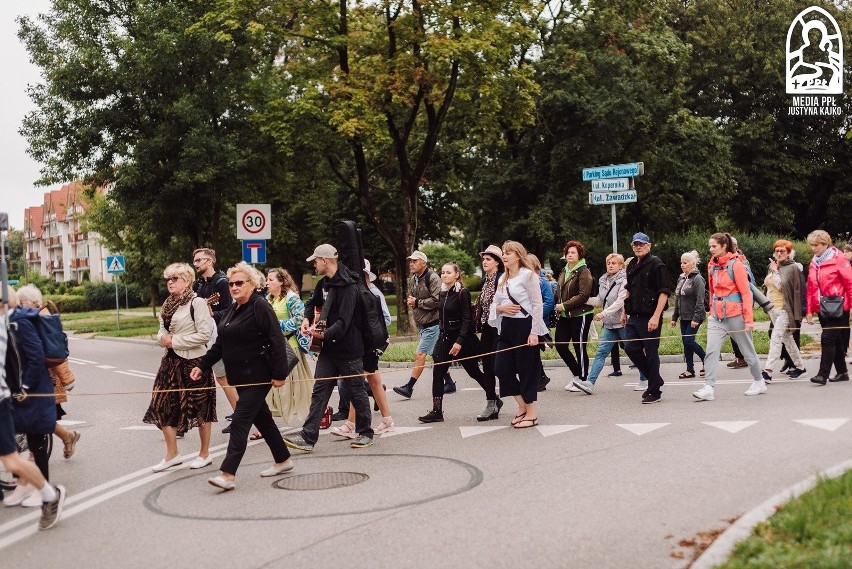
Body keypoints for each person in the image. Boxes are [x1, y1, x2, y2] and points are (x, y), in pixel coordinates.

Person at [191, 262, 294, 490]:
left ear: (253, 284)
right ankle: (283, 459)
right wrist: (203, 365)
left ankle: (227, 474)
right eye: (231, 283)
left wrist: (279, 374)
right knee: (263, 420)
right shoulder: (232, 309)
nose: (234, 287)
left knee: (239, 422)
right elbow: (220, 344)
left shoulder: (260, 306)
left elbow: (277, 340)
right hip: (241, 376)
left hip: (259, 375)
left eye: (239, 283)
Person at [284, 244, 374, 452]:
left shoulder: (349, 286)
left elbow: (344, 322)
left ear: (324, 260)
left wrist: (322, 334)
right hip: (328, 349)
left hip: (349, 348)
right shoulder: (323, 284)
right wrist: (307, 320)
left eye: (315, 261)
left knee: (356, 391)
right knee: (320, 391)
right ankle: (308, 436)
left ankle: (365, 432)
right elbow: (310, 303)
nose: (314, 265)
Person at [143, 263, 217, 471]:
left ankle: (204, 454)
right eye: (168, 279)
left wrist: (174, 341)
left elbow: (204, 335)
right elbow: (160, 331)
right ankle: (172, 453)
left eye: (175, 279)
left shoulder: (197, 302)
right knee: (161, 403)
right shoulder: (167, 303)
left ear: (187, 281)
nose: (170, 282)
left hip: (194, 361)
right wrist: (162, 339)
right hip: (170, 362)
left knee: (200, 407)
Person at [0, 303, 66, 529]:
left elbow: (35, 356)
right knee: (15, 451)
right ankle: (26, 486)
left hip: (32, 392)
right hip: (14, 394)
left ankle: (47, 491)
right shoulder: (7, 323)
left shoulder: (18, 323)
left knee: (34, 441)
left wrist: (24, 386)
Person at [693, 233, 766, 401]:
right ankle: (708, 388)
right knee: (711, 351)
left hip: (736, 315)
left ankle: (759, 381)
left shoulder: (736, 265)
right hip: (717, 317)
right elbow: (711, 291)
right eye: (709, 246)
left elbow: (746, 293)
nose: (710, 249)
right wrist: (711, 311)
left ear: (724, 246)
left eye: (714, 246)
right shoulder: (712, 266)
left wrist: (748, 319)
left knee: (748, 351)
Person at [14, 284, 81, 459]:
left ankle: (33, 462)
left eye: (22, 302)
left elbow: (55, 353)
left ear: (34, 302)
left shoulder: (42, 318)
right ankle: (67, 436)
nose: (19, 306)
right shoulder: (29, 318)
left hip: (45, 378)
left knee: (40, 417)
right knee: (42, 417)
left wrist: (67, 379)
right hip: (35, 376)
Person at [331, 259, 395, 436]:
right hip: (366, 343)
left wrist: (369, 328)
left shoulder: (373, 293)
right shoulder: (357, 292)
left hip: (372, 343)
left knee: (357, 382)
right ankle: (387, 420)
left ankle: (351, 425)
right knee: (374, 382)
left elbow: (386, 318)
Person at [489, 241, 548, 429]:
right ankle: (522, 405)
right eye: (503, 253)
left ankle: (532, 413)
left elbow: (537, 305)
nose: (504, 256)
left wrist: (534, 332)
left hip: (525, 326)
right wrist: (501, 308)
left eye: (508, 253)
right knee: (501, 368)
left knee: (527, 370)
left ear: (518, 255)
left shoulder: (528, 275)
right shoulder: (502, 279)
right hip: (506, 326)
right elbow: (494, 304)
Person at [418, 263, 486, 423]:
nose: (444, 275)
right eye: (442, 272)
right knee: (438, 373)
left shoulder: (463, 293)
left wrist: (459, 341)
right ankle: (437, 411)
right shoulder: (442, 293)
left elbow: (466, 319)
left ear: (457, 274)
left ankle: (493, 397)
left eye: (448, 272)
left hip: (461, 340)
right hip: (445, 339)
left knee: (473, 371)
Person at [263, 267, 314, 433]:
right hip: (273, 348)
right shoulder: (268, 299)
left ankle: (313, 414)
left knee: (293, 388)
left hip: (289, 348)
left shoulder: (292, 299)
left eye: (271, 279)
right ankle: (269, 421)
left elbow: (299, 320)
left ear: (282, 282)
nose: (267, 282)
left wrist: (276, 328)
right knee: (272, 388)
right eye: (267, 279)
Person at [393, 250, 450, 398]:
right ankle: (449, 382)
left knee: (420, 354)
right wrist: (412, 302)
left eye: (415, 261)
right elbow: (413, 297)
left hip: (434, 323)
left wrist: (417, 302)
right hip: (423, 324)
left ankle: (409, 387)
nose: (411, 264)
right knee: (437, 355)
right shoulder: (413, 279)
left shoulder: (433, 277)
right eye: (410, 261)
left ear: (423, 263)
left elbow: (438, 300)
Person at [622, 232, 671, 404]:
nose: (638, 247)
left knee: (651, 354)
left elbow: (664, 292)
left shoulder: (657, 264)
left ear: (649, 245)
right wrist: (623, 311)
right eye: (635, 244)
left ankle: (654, 391)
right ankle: (654, 379)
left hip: (650, 316)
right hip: (634, 315)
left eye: (641, 244)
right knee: (630, 347)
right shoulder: (632, 264)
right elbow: (628, 289)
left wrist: (656, 317)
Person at [192, 248, 236, 430]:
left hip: (217, 336)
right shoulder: (198, 284)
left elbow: (229, 311)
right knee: (193, 376)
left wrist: (211, 314)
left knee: (222, 377)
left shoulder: (222, 282)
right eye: (194, 261)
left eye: (198, 260)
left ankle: (241, 416)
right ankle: (186, 419)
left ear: (210, 261)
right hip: (199, 335)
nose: (195, 264)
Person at [574, 253, 628, 394]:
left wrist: (603, 314)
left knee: (633, 351)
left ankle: (645, 378)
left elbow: (620, 302)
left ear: (621, 266)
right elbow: (599, 300)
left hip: (623, 323)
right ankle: (590, 383)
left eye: (614, 263)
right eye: (608, 263)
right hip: (609, 326)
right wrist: (582, 299)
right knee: (601, 353)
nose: (610, 265)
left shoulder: (624, 280)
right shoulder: (603, 280)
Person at [805, 230, 852, 385]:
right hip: (822, 307)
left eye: (816, 245)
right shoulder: (814, 262)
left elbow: (850, 284)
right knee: (836, 340)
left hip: (839, 306)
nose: (813, 248)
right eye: (811, 245)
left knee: (827, 339)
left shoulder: (839, 259)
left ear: (826, 244)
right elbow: (811, 287)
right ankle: (842, 372)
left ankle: (822, 375)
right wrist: (810, 309)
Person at [761, 241, 806, 380]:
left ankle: (768, 371)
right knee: (787, 339)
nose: (779, 253)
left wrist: (775, 271)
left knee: (776, 337)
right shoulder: (774, 266)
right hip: (772, 309)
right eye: (777, 251)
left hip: (784, 309)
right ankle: (800, 367)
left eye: (782, 251)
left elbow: (782, 286)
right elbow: (768, 286)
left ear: (788, 253)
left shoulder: (792, 267)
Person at [554, 241, 594, 391]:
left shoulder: (584, 272)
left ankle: (583, 379)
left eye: (573, 253)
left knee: (579, 347)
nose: (569, 255)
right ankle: (576, 374)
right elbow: (559, 292)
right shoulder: (564, 270)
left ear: (579, 255)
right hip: (565, 315)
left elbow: (583, 295)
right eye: (568, 252)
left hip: (581, 314)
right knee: (560, 344)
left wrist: (564, 305)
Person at [472, 245, 505, 421]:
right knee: (487, 365)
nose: (484, 262)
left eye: (488, 259)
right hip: (487, 328)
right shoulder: (486, 280)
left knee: (498, 366)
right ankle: (491, 402)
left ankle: (524, 398)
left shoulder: (501, 279)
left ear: (497, 262)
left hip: (500, 327)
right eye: (483, 259)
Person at [669, 251, 707, 379]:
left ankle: (706, 360)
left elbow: (700, 300)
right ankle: (690, 369)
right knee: (686, 343)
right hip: (683, 316)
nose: (682, 265)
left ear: (693, 264)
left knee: (689, 341)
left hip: (695, 316)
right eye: (681, 262)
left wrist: (696, 318)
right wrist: (674, 317)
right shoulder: (681, 278)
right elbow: (678, 299)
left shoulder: (698, 279)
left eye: (685, 263)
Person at [528, 254, 555, 392]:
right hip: (529, 321)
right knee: (532, 352)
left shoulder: (542, 282)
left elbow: (549, 301)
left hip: (539, 322)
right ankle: (540, 377)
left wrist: (535, 315)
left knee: (533, 351)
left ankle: (541, 378)